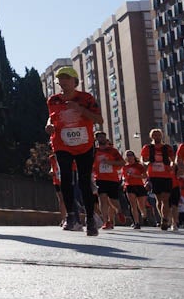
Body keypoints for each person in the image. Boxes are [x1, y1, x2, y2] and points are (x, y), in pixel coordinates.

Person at [48, 66, 104, 236]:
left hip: (84, 144)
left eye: (66, 77)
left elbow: (99, 119)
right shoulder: (53, 100)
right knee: (65, 178)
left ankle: (90, 219)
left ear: (75, 81)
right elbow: (51, 117)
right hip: (62, 143)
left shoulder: (86, 98)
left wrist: (80, 110)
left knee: (84, 181)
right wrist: (48, 126)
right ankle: (71, 215)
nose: (63, 81)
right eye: (60, 78)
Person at [141, 129, 178, 230]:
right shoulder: (147, 148)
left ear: (161, 136)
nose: (156, 137)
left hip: (166, 176)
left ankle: (165, 219)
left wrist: (172, 165)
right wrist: (146, 163)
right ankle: (163, 217)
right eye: (154, 135)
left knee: (166, 199)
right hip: (154, 176)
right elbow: (142, 159)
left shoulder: (167, 147)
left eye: (158, 135)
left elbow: (173, 159)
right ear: (151, 137)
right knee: (159, 200)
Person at [91, 131, 126, 230]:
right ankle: (106, 221)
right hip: (99, 178)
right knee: (102, 199)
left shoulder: (112, 151)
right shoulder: (94, 151)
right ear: (96, 139)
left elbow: (122, 162)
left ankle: (119, 211)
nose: (102, 139)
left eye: (103, 137)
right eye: (100, 137)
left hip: (112, 179)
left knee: (113, 200)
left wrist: (110, 162)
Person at [121, 149, 150, 230]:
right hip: (129, 186)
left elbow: (145, 176)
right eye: (128, 155)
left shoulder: (139, 166)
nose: (130, 157)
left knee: (141, 205)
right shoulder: (125, 167)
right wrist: (124, 179)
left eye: (131, 155)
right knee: (133, 205)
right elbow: (123, 176)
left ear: (134, 156)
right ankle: (136, 223)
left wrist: (135, 176)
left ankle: (144, 216)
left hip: (139, 185)